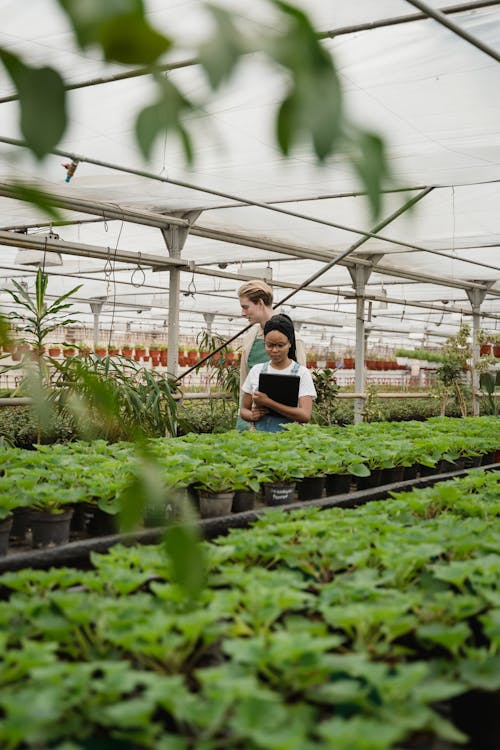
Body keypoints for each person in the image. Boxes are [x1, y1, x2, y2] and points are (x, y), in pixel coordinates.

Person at [236, 279, 306, 430]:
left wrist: (296, 428)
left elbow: (301, 391)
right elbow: (245, 383)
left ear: (260, 303)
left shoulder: (295, 339)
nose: (243, 313)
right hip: (252, 421)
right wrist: (245, 416)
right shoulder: (250, 336)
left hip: (285, 425)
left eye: (245, 307)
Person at [240, 314, 316, 432]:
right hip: (259, 437)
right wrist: (251, 416)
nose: (275, 350)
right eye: (270, 345)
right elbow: (244, 410)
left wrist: (268, 402)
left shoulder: (301, 373)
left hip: (289, 440)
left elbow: (305, 415)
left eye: (280, 345)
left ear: (290, 343)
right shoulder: (256, 370)